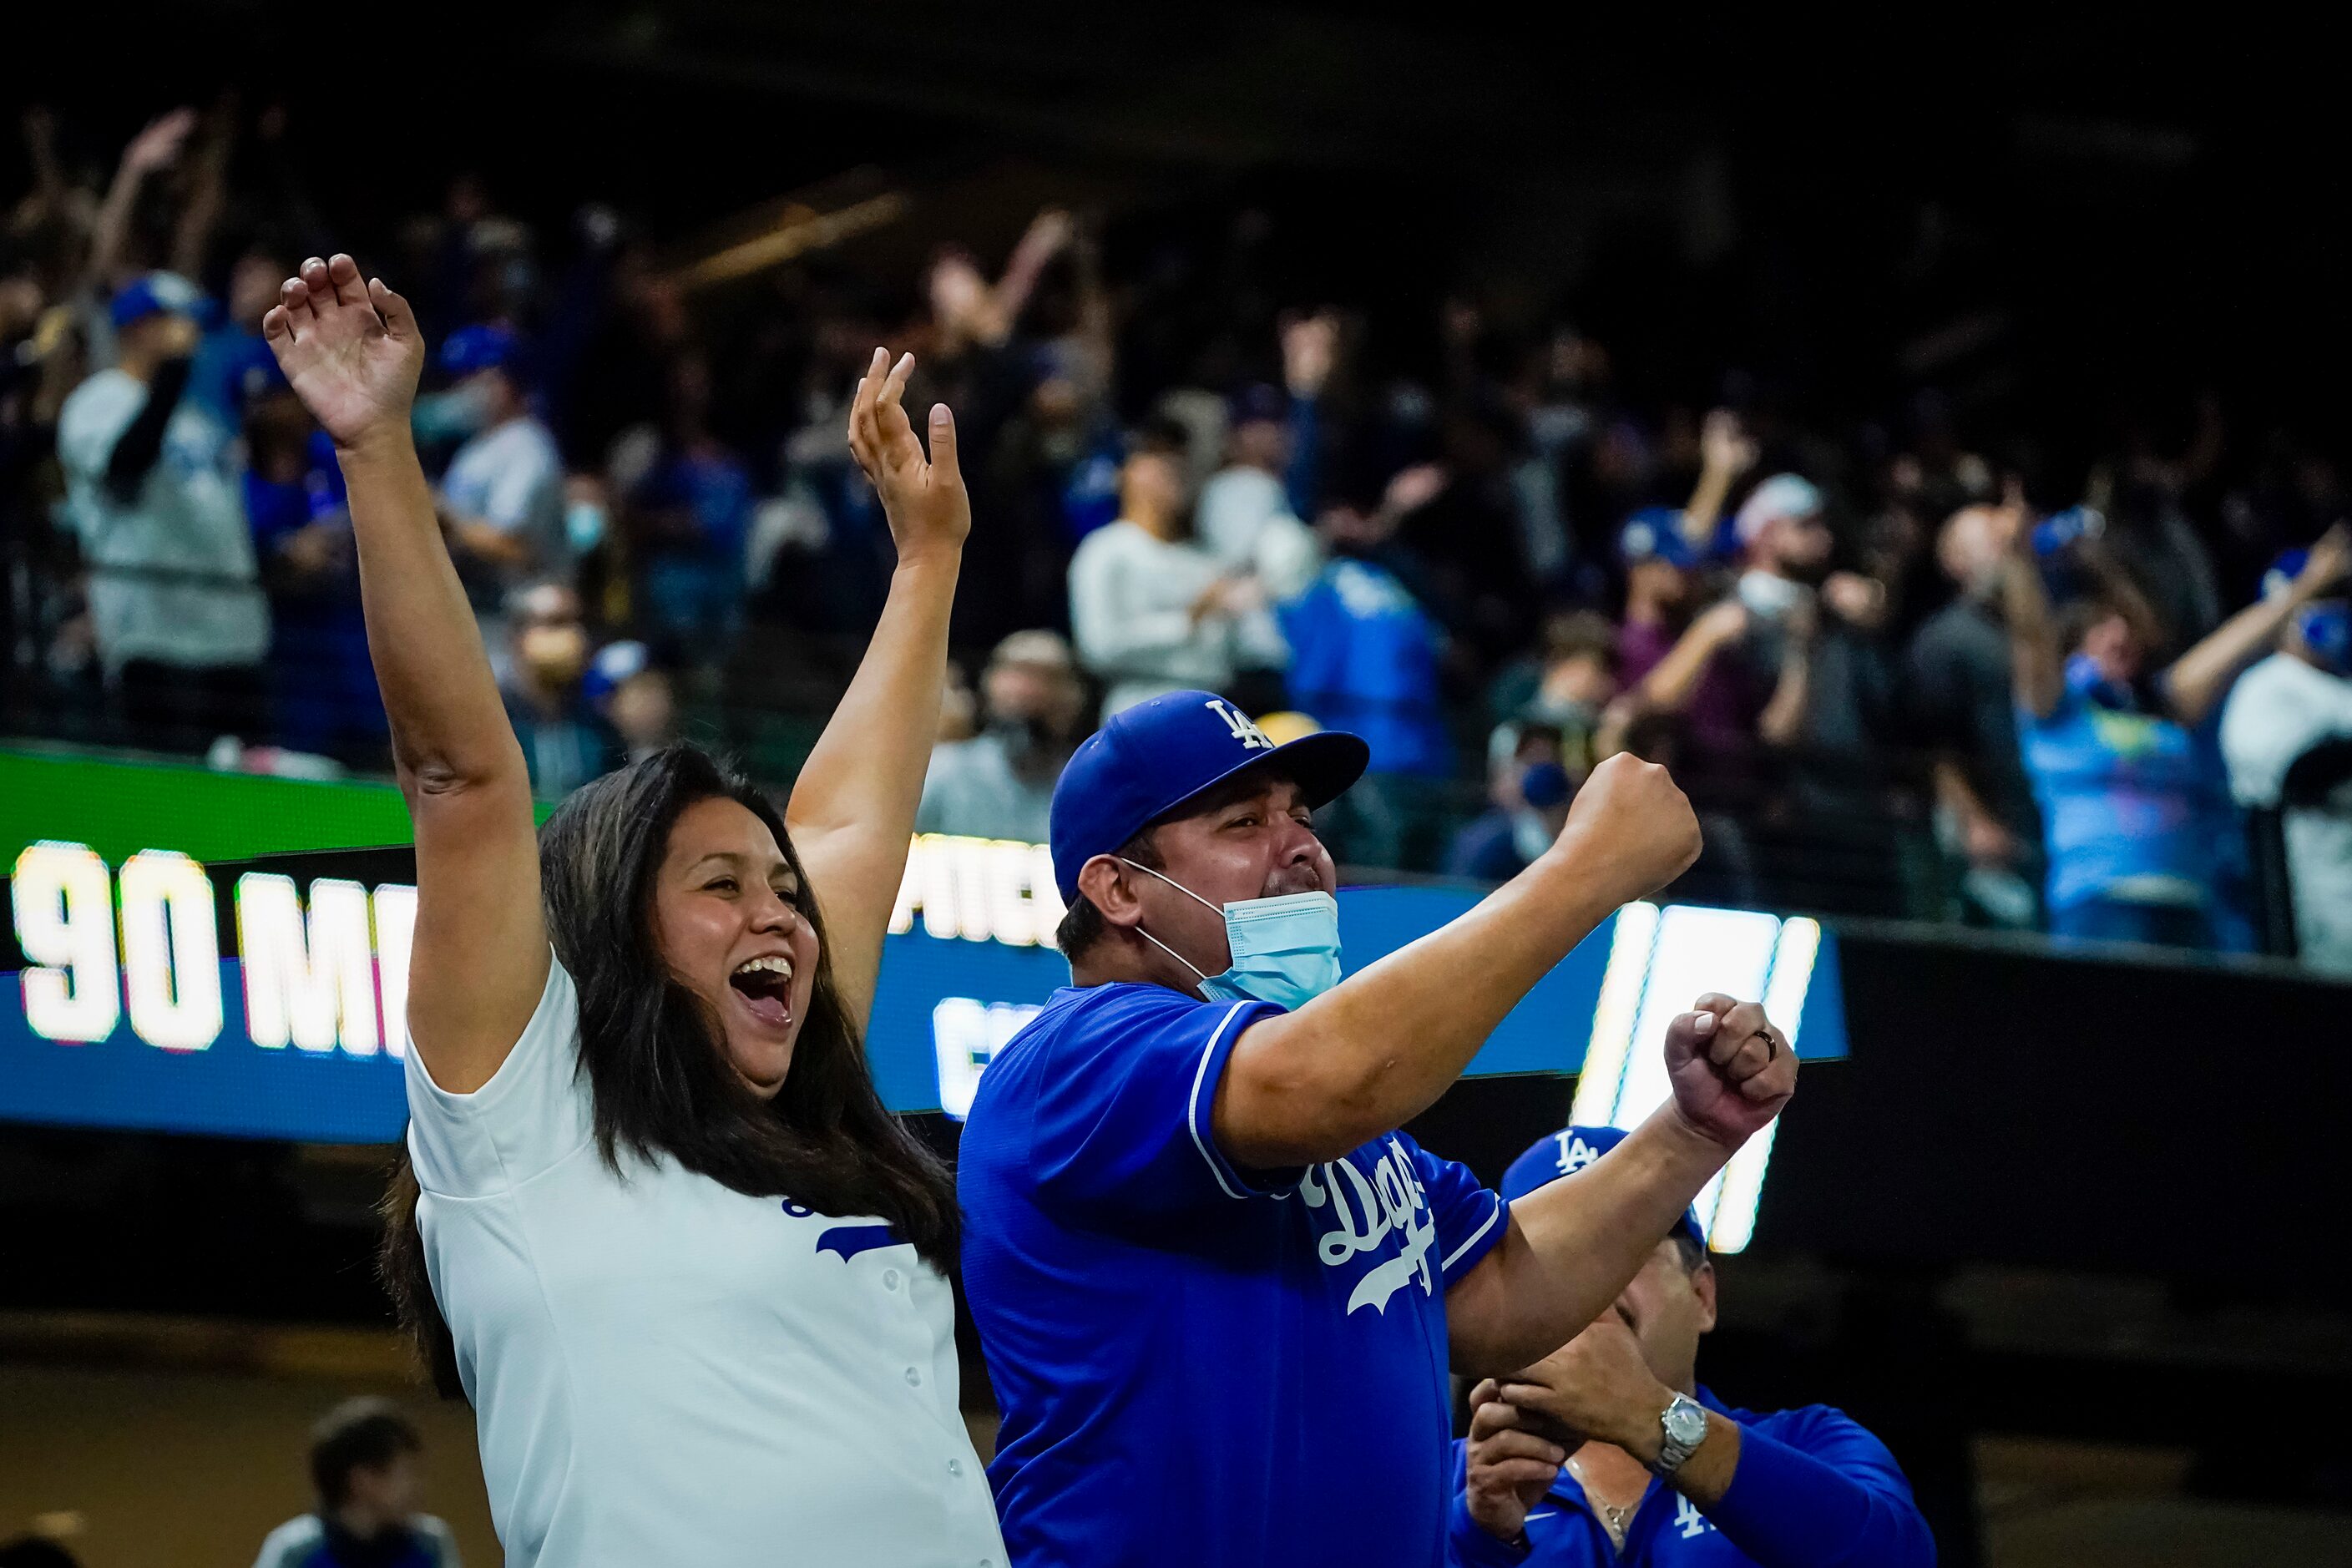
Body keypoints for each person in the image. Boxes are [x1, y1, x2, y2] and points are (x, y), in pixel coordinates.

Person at [262, 254, 999, 1565]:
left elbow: (840, 826)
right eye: (717, 887)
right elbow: (462, 778)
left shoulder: (811, 1121)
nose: (779, 912)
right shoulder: (526, 1123)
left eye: (781, 893)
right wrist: (377, 445)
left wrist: (926, 562)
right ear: (614, 932)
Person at [959, 686, 1799, 1568]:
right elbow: (1334, 1077)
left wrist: (1693, 1134)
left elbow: (1505, 1291)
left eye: (1303, 818)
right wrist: (1586, 869)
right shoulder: (1079, 1057)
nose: (1303, 849)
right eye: (1245, 824)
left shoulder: (1332, 1125)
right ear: (1119, 888)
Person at [1449, 1126, 1934, 1568]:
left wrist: (1650, 1418)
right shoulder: (1449, 1476)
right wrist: (1479, 1538)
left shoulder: (1810, 1443)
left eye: (1629, 1242)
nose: (1590, 1282)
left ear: (1703, 1296)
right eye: (1554, 1255)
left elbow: (1900, 1560)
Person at [2006, 510, 2347, 948]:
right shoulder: (2057, 712)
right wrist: (2019, 564)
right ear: (2074, 643)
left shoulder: (2163, 703)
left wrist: (2311, 583)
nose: (2119, 635)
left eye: (2123, 625)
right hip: (2101, 901)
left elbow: (2237, 642)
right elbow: (2031, 638)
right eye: (2100, 629)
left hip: (2189, 903)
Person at [56, 271, 270, 750]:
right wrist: (172, 373)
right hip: (154, 631)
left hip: (232, 631)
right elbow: (125, 467)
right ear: (137, 328)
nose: (191, 335)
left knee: (245, 799)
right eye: (177, 321)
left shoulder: (200, 417)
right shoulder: (99, 401)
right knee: (167, 796)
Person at [1909, 502, 2042, 928]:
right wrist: (1975, 822)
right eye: (1995, 542)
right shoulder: (1945, 639)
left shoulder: (2035, 631)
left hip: (2040, 826)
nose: (2009, 551)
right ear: (1955, 560)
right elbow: (1933, 748)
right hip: (1989, 835)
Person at [2220, 546, 2352, 974]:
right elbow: (2296, 774)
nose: (2340, 611)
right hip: (2310, 916)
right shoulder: (2267, 686)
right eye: (2325, 599)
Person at [1067, 443, 1255, 717]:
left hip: (1212, 702)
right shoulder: (1105, 549)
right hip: (1139, 700)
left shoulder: (1202, 558)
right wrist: (1187, 620)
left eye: (1174, 473)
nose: (1168, 483)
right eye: (1155, 473)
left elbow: (1224, 651)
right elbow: (1097, 646)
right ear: (1126, 478)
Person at [432, 324, 566, 635]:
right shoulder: (477, 446)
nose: (463, 388)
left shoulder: (527, 447)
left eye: (472, 376)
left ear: (507, 381)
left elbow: (514, 546)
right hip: (480, 612)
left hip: (522, 622)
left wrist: (443, 518)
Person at [918, 629, 1088, 842]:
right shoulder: (942, 772)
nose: (1030, 690)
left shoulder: (1086, 789)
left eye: (1049, 677)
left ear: (1076, 696)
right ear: (989, 684)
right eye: (1020, 673)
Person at [250, 1397, 461, 1568]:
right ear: (362, 1480)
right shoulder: (294, 1552)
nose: (416, 1488)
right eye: (405, 1474)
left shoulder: (431, 1545)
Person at [498, 580, 618, 799]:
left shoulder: (598, 723)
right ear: (517, 635)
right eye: (556, 623)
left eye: (577, 623)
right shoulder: (493, 720)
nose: (573, 636)